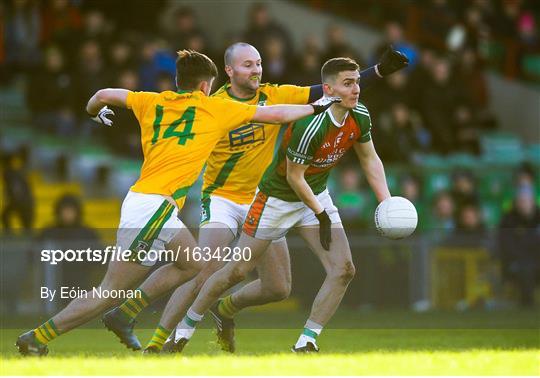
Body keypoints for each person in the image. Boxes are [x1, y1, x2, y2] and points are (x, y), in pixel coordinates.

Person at [15, 49, 334, 356]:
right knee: (109, 291)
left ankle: (124, 314)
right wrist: (321, 105)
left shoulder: (150, 100)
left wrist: (93, 112)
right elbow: (276, 114)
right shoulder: (215, 108)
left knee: (193, 263)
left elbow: (102, 94)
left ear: (178, 81)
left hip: (150, 204)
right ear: (206, 86)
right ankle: (36, 337)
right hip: (152, 208)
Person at [102, 43, 408, 354]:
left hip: (261, 197)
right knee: (204, 266)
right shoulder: (214, 104)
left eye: (259, 63)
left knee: (278, 288)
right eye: (248, 65)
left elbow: (329, 90)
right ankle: (161, 342)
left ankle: (223, 310)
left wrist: (379, 71)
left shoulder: (274, 94)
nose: (256, 70)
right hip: (221, 197)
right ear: (229, 71)